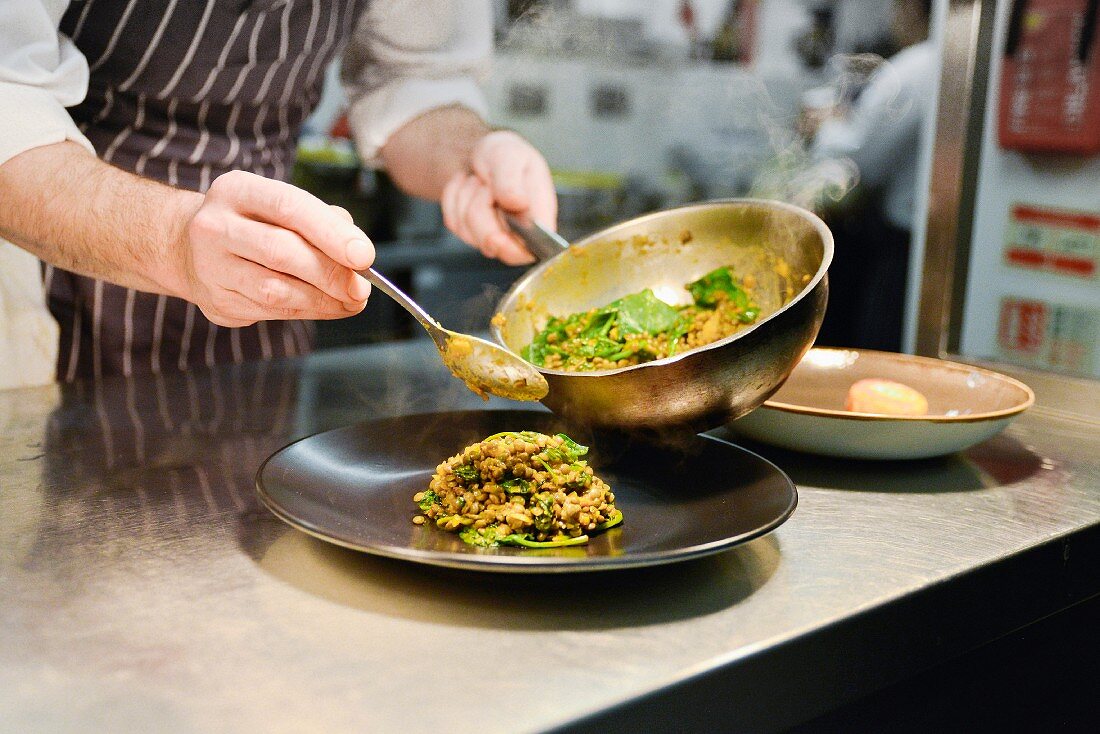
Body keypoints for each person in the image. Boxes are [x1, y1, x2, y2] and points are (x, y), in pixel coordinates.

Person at [0, 0, 556, 385]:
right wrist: (173, 241)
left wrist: (470, 156)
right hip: (58, 265)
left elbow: (414, 79)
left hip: (266, 303)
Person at [804, 0, 936, 351]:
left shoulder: (917, 65)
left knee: (881, 349)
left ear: (912, 8)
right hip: (919, 241)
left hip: (903, 249)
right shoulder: (939, 62)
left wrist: (827, 126)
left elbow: (858, 161)